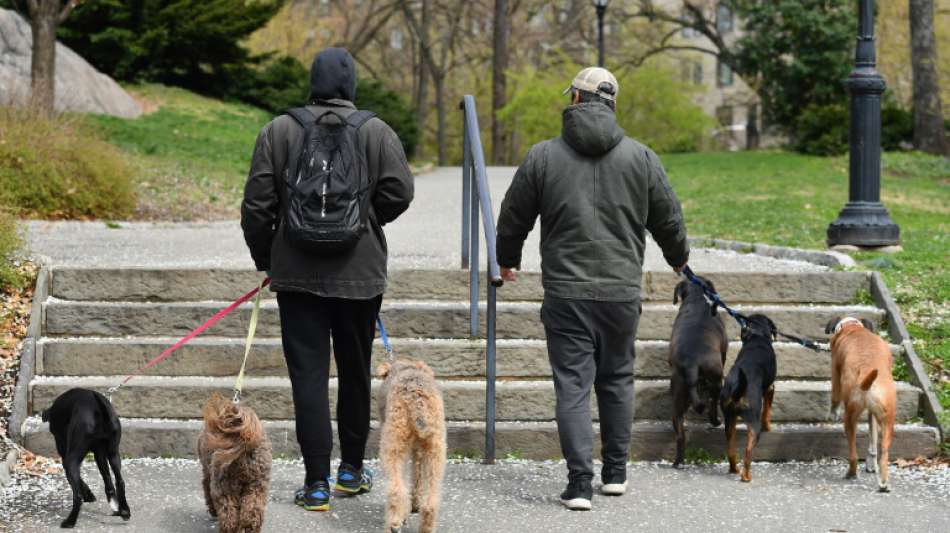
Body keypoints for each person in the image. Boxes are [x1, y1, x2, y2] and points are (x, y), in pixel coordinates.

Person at [495, 67, 689, 511]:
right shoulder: (642, 157)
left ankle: (580, 483)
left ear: (577, 101)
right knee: (618, 378)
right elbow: (668, 218)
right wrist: (678, 256)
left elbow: (513, 216)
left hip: (566, 293)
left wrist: (508, 259)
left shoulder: (543, 157)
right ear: (612, 105)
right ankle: (616, 474)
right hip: (621, 292)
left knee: (573, 385)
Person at [241, 47, 414, 512]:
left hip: (296, 276)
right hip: (360, 276)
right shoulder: (376, 131)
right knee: (356, 373)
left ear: (312, 82)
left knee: (308, 377)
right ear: (351, 85)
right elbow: (401, 190)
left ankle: (316, 483)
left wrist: (268, 258)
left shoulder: (279, 130)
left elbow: (257, 206)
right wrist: (364, 220)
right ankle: (352, 473)